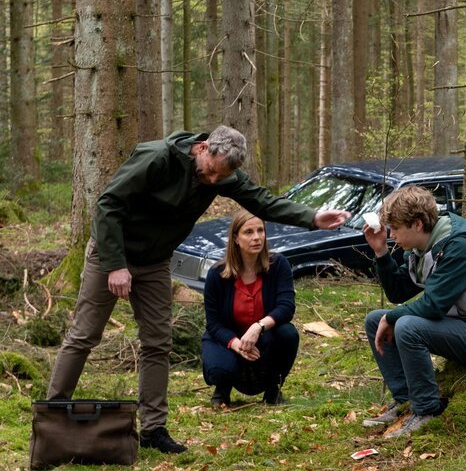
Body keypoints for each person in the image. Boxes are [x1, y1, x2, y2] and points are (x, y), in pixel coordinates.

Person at [47, 126, 349, 453]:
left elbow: (263, 201)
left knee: (157, 342)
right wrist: (115, 263)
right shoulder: (157, 157)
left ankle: (153, 429)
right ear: (203, 148)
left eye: (222, 177)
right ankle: (52, 415)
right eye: (211, 172)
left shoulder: (221, 173)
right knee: (84, 335)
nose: (214, 181)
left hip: (155, 262)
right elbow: (109, 203)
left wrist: (313, 217)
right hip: (112, 252)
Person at [361, 186, 466, 438]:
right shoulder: (422, 250)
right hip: (461, 327)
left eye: (396, 229)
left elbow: (433, 306)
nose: (392, 235)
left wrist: (392, 317)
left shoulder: (458, 247)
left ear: (418, 224)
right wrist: (381, 252)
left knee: (407, 326)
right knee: (374, 320)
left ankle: (425, 411)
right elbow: (398, 292)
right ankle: (405, 400)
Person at [202, 210, 298, 408]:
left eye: (260, 230)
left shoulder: (278, 265)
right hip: (228, 339)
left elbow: (286, 307)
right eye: (248, 232)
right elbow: (213, 323)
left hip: (264, 336)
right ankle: (222, 389)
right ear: (236, 238)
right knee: (219, 369)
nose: (257, 237)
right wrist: (236, 344)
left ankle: (273, 390)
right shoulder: (217, 274)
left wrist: (258, 326)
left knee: (288, 333)